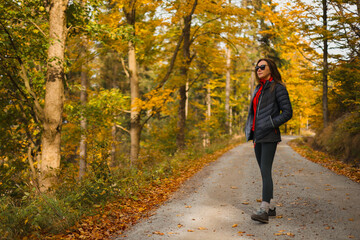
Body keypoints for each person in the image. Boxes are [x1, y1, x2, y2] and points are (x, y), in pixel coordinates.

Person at [245, 58, 293, 223]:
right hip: (258, 135)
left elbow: (287, 112)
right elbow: (254, 113)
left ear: (270, 69)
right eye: (257, 67)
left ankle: (264, 210)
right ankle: (272, 206)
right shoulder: (259, 88)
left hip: (270, 134)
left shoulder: (278, 88)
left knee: (265, 171)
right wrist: (251, 131)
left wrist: (270, 123)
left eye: (262, 66)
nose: (258, 69)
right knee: (264, 171)